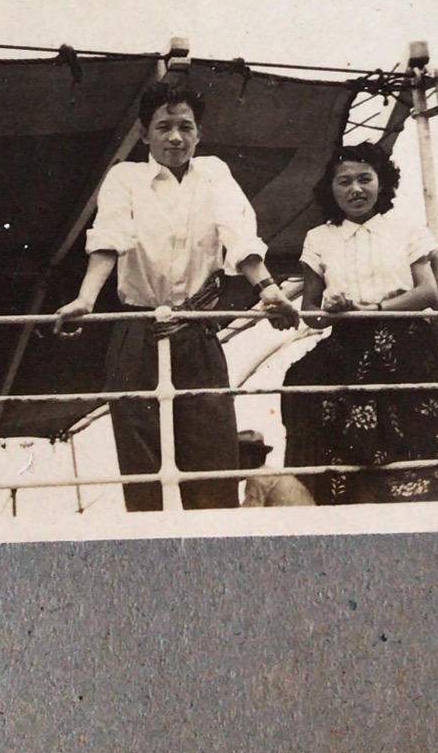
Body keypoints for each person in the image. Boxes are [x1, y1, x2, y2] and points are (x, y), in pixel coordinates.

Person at [54, 79, 299, 511]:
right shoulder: (125, 178)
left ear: (199, 133)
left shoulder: (214, 173)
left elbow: (238, 232)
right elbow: (109, 237)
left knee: (211, 459)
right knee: (142, 462)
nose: (175, 137)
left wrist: (269, 291)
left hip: (198, 333)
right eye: (163, 127)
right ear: (144, 133)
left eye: (185, 127)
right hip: (137, 332)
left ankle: (211, 546)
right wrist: (86, 299)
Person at [281, 142, 438, 504]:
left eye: (364, 179)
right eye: (344, 181)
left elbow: (428, 291)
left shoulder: (406, 230)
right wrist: (332, 309)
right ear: (331, 189)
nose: (356, 189)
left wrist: (376, 308)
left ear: (381, 183)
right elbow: (311, 313)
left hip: (404, 340)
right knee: (299, 381)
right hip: (348, 343)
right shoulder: (319, 238)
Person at [236, 428, 315, 508]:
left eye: (239, 456)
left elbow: (250, 511)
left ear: (249, 456)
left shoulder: (258, 477)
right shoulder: (270, 474)